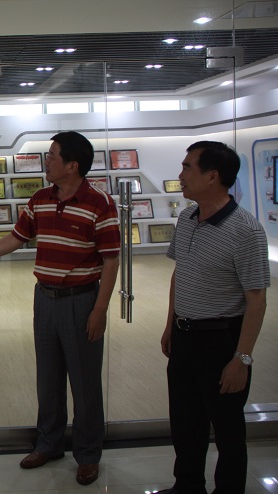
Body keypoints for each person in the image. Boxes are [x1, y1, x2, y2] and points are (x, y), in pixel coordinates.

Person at [0, 131, 120, 486]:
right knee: (49, 379)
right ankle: (49, 444)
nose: (47, 161)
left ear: (72, 166)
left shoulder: (100, 203)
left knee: (85, 384)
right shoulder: (41, 199)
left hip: (81, 301)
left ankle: (88, 455)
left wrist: (100, 309)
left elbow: (110, 260)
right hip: (44, 299)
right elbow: (16, 238)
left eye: (53, 155)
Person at [158, 141, 269, 494]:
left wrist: (241, 358)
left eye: (187, 167)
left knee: (227, 430)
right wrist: (170, 324)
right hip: (184, 336)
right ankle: (187, 486)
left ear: (212, 176)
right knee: (185, 423)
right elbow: (180, 273)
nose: (180, 175)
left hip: (220, 341)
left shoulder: (246, 231)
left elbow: (256, 300)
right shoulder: (187, 218)